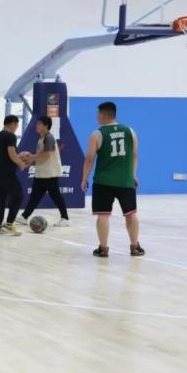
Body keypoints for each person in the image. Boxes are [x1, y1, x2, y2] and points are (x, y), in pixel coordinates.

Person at [81, 101, 144, 258]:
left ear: (103, 115)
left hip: (103, 182)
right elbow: (135, 155)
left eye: (97, 114)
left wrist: (84, 178)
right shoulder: (130, 131)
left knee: (103, 215)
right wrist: (133, 174)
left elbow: (89, 159)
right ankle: (134, 247)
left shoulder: (97, 134)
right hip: (125, 181)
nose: (96, 117)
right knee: (131, 214)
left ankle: (103, 249)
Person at [16, 116, 70, 227]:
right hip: (42, 173)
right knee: (35, 196)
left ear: (46, 126)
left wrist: (30, 157)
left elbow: (47, 154)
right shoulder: (41, 139)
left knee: (55, 196)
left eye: (39, 124)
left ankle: (65, 218)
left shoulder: (49, 138)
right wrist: (29, 161)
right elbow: (40, 156)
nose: (36, 126)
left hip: (49, 173)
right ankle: (24, 217)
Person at [0, 115, 28, 236]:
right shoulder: (10, 136)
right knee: (18, 196)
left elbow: (5, 154)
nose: (16, 128)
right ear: (13, 124)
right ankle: (9, 224)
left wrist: (19, 155)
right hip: (7, 173)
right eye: (17, 125)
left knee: (1, 199)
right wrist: (21, 163)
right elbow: (11, 154)